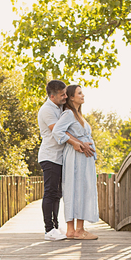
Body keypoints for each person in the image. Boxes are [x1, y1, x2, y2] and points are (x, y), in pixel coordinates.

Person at [52, 84, 99, 240]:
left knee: (81, 189)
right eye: (79, 93)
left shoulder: (78, 115)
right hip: (76, 158)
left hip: (83, 159)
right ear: (71, 97)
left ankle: (74, 230)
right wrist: (76, 143)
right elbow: (57, 131)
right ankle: (77, 230)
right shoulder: (69, 114)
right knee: (77, 189)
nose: (83, 95)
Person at [36, 80, 69, 241]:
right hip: (50, 157)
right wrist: (78, 143)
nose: (65, 97)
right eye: (62, 95)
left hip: (59, 157)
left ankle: (55, 226)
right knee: (50, 192)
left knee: (57, 194)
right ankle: (49, 230)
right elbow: (58, 131)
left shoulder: (60, 107)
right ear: (52, 96)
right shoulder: (47, 110)